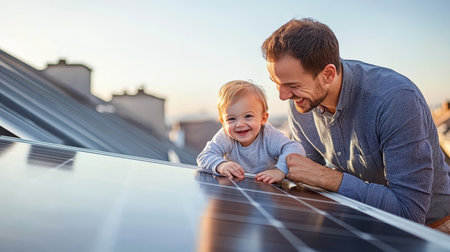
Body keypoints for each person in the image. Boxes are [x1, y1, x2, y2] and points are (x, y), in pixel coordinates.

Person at [261, 18, 450, 227]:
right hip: (363, 219)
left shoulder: (395, 101)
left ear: (328, 74)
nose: (283, 96)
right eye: (276, 83)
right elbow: (308, 174)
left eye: (291, 85)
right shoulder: (302, 102)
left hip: (433, 228)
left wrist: (330, 178)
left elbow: (410, 212)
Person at [197, 80, 306, 184]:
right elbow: (204, 156)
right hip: (236, 187)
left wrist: (280, 171)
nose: (240, 124)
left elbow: (296, 148)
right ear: (223, 122)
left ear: (263, 119)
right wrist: (221, 165)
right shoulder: (226, 136)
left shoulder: (269, 135)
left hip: (268, 189)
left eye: (248, 116)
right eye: (231, 119)